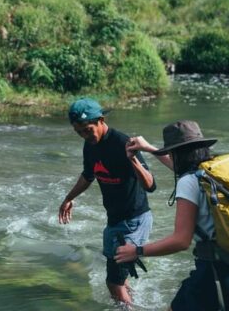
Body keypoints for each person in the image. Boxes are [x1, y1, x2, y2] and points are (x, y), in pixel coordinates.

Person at [115, 120, 229, 311]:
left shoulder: (189, 182)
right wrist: (150, 149)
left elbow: (181, 241)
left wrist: (136, 251)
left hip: (216, 277)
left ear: (174, 152)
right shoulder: (217, 172)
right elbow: (187, 173)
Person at [58, 98, 157, 307]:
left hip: (134, 220)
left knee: (113, 282)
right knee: (120, 279)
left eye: (87, 130)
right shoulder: (90, 145)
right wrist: (69, 198)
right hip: (114, 221)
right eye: (79, 133)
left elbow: (150, 185)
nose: (85, 136)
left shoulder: (123, 143)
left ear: (101, 120)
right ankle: (132, 304)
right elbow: (88, 175)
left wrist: (132, 159)